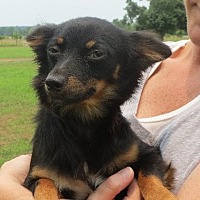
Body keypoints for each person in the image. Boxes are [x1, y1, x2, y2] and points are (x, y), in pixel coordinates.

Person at [0, 0, 200, 199]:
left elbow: (148, 158)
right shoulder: (48, 151)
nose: (56, 76)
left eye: (96, 54)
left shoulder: (123, 144)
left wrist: (155, 190)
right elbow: (35, 176)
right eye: (55, 51)